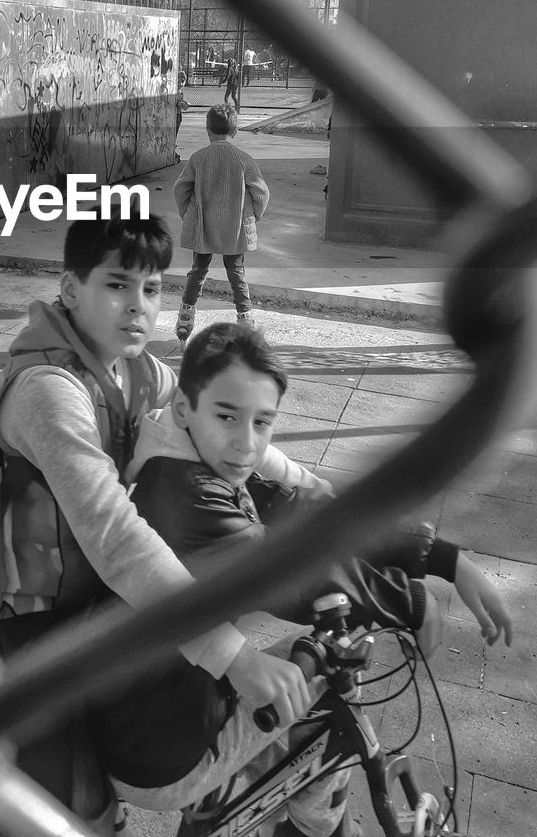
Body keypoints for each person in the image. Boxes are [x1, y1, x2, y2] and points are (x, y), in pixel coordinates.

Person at [0, 215, 332, 821]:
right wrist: (235, 658)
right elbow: (115, 535)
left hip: (80, 586)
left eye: (153, 288)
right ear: (70, 290)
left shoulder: (134, 370)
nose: (138, 306)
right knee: (83, 811)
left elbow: (218, 425)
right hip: (9, 609)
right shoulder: (47, 391)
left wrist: (315, 490)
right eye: (118, 285)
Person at [90, 322, 514, 837]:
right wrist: (410, 601)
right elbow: (288, 571)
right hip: (162, 750)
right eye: (227, 416)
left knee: (323, 664)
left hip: (160, 704)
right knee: (333, 665)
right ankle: (311, 824)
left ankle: (286, 806)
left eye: (262, 423)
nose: (246, 444)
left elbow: (310, 511)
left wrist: (443, 558)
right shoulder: (183, 495)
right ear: (184, 408)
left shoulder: (194, 456)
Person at [174, 104, 268, 343]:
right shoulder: (244, 160)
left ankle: (186, 316)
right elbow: (261, 193)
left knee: (198, 270)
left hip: (203, 227)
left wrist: (187, 213)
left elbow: (180, 189)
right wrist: (253, 216)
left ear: (207, 130)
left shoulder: (198, 158)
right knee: (236, 272)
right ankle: (245, 319)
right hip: (234, 228)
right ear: (234, 131)